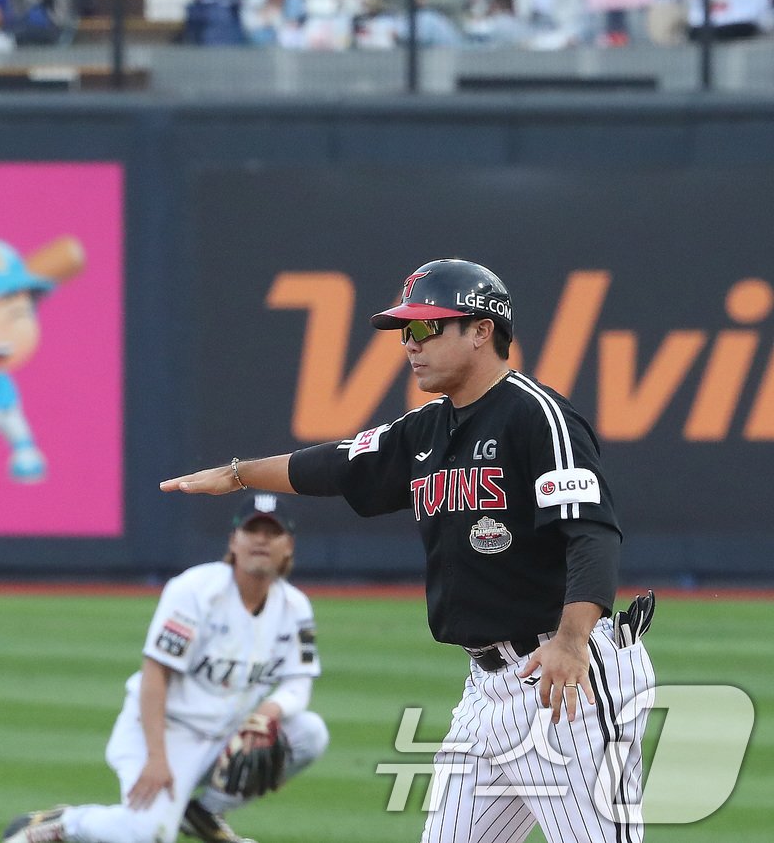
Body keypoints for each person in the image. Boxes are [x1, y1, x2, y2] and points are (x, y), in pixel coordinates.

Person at [162, 257, 657, 843]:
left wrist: (573, 643)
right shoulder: (426, 430)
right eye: (405, 330)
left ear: (481, 330)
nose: (409, 343)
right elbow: (337, 464)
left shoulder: (536, 416)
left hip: (563, 673)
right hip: (487, 688)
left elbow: (591, 532)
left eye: (425, 327)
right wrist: (241, 474)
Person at [3, 494, 329, 843]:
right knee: (148, 836)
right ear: (234, 541)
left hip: (225, 736)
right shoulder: (196, 590)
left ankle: (204, 811)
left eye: (273, 532)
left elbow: (298, 682)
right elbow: (155, 672)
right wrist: (157, 757)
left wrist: (268, 711)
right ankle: (64, 824)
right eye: (252, 530)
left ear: (289, 546)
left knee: (309, 732)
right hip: (164, 731)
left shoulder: (294, 607)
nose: (262, 539)